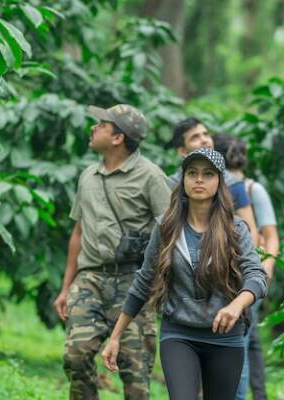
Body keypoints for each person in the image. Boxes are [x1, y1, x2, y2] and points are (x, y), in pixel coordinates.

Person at [101, 148, 268, 400]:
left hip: (225, 337)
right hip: (179, 333)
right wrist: (115, 337)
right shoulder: (166, 227)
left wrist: (236, 305)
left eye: (207, 174)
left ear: (219, 182)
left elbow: (256, 275)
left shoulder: (236, 229)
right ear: (183, 181)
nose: (199, 179)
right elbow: (144, 281)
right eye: (192, 173)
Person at [52, 104, 171, 400]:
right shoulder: (88, 176)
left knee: (135, 372)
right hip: (89, 278)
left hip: (134, 283)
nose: (93, 128)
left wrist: (161, 286)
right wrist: (66, 288)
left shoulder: (151, 176)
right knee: (75, 356)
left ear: (118, 137)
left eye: (101, 124)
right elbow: (78, 233)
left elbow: (172, 231)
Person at [214, 133, 280, 400]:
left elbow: (270, 236)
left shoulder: (250, 190)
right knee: (249, 342)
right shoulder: (214, 188)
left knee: (239, 343)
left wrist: (264, 272)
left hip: (247, 277)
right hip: (228, 277)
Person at [168, 118, 260, 246]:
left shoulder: (233, 184)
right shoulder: (170, 185)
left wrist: (245, 262)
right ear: (182, 151)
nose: (204, 140)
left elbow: (251, 231)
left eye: (206, 134)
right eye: (195, 137)